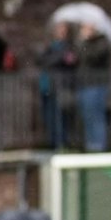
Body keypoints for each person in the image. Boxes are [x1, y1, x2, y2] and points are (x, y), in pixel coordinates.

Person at [37, 21, 78, 150]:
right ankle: (53, 141)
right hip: (47, 86)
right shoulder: (50, 46)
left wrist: (54, 59)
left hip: (60, 86)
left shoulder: (69, 47)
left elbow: (66, 61)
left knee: (60, 116)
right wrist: (58, 58)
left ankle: (61, 143)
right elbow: (41, 61)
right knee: (49, 115)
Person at [77, 24, 111, 153]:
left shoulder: (102, 43)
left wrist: (85, 41)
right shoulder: (85, 44)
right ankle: (90, 145)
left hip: (96, 84)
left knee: (96, 115)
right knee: (87, 116)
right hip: (85, 84)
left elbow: (92, 57)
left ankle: (98, 146)